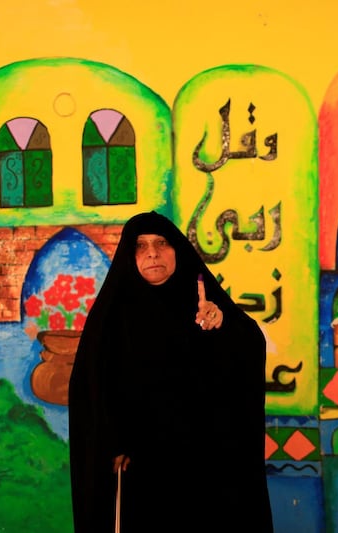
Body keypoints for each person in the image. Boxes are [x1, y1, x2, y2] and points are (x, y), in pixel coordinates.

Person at [68, 210, 273, 532]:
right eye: (141, 245)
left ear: (178, 249)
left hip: (206, 464)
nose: (152, 252)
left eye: (162, 243)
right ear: (129, 255)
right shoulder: (111, 315)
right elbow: (91, 388)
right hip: (142, 466)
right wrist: (113, 442)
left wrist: (224, 325)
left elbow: (249, 351)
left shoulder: (205, 305)